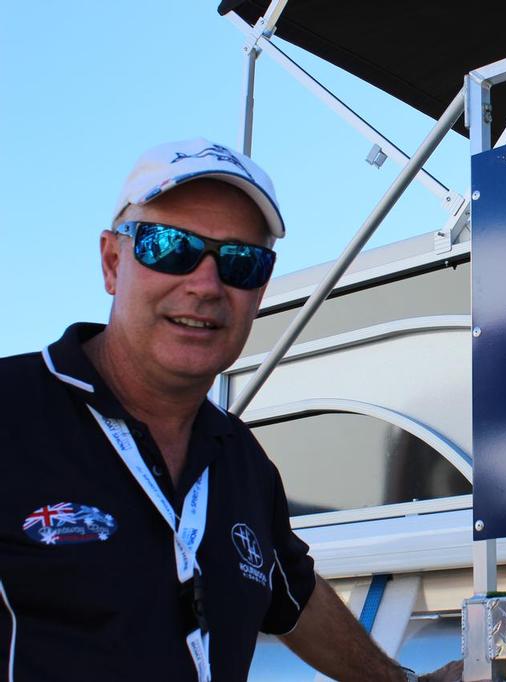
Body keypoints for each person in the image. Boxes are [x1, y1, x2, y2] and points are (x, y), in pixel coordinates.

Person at [0, 138, 463, 682]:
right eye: (169, 246)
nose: (205, 284)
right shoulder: (13, 410)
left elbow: (294, 596)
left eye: (241, 262)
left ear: (259, 291)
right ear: (111, 261)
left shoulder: (242, 460)